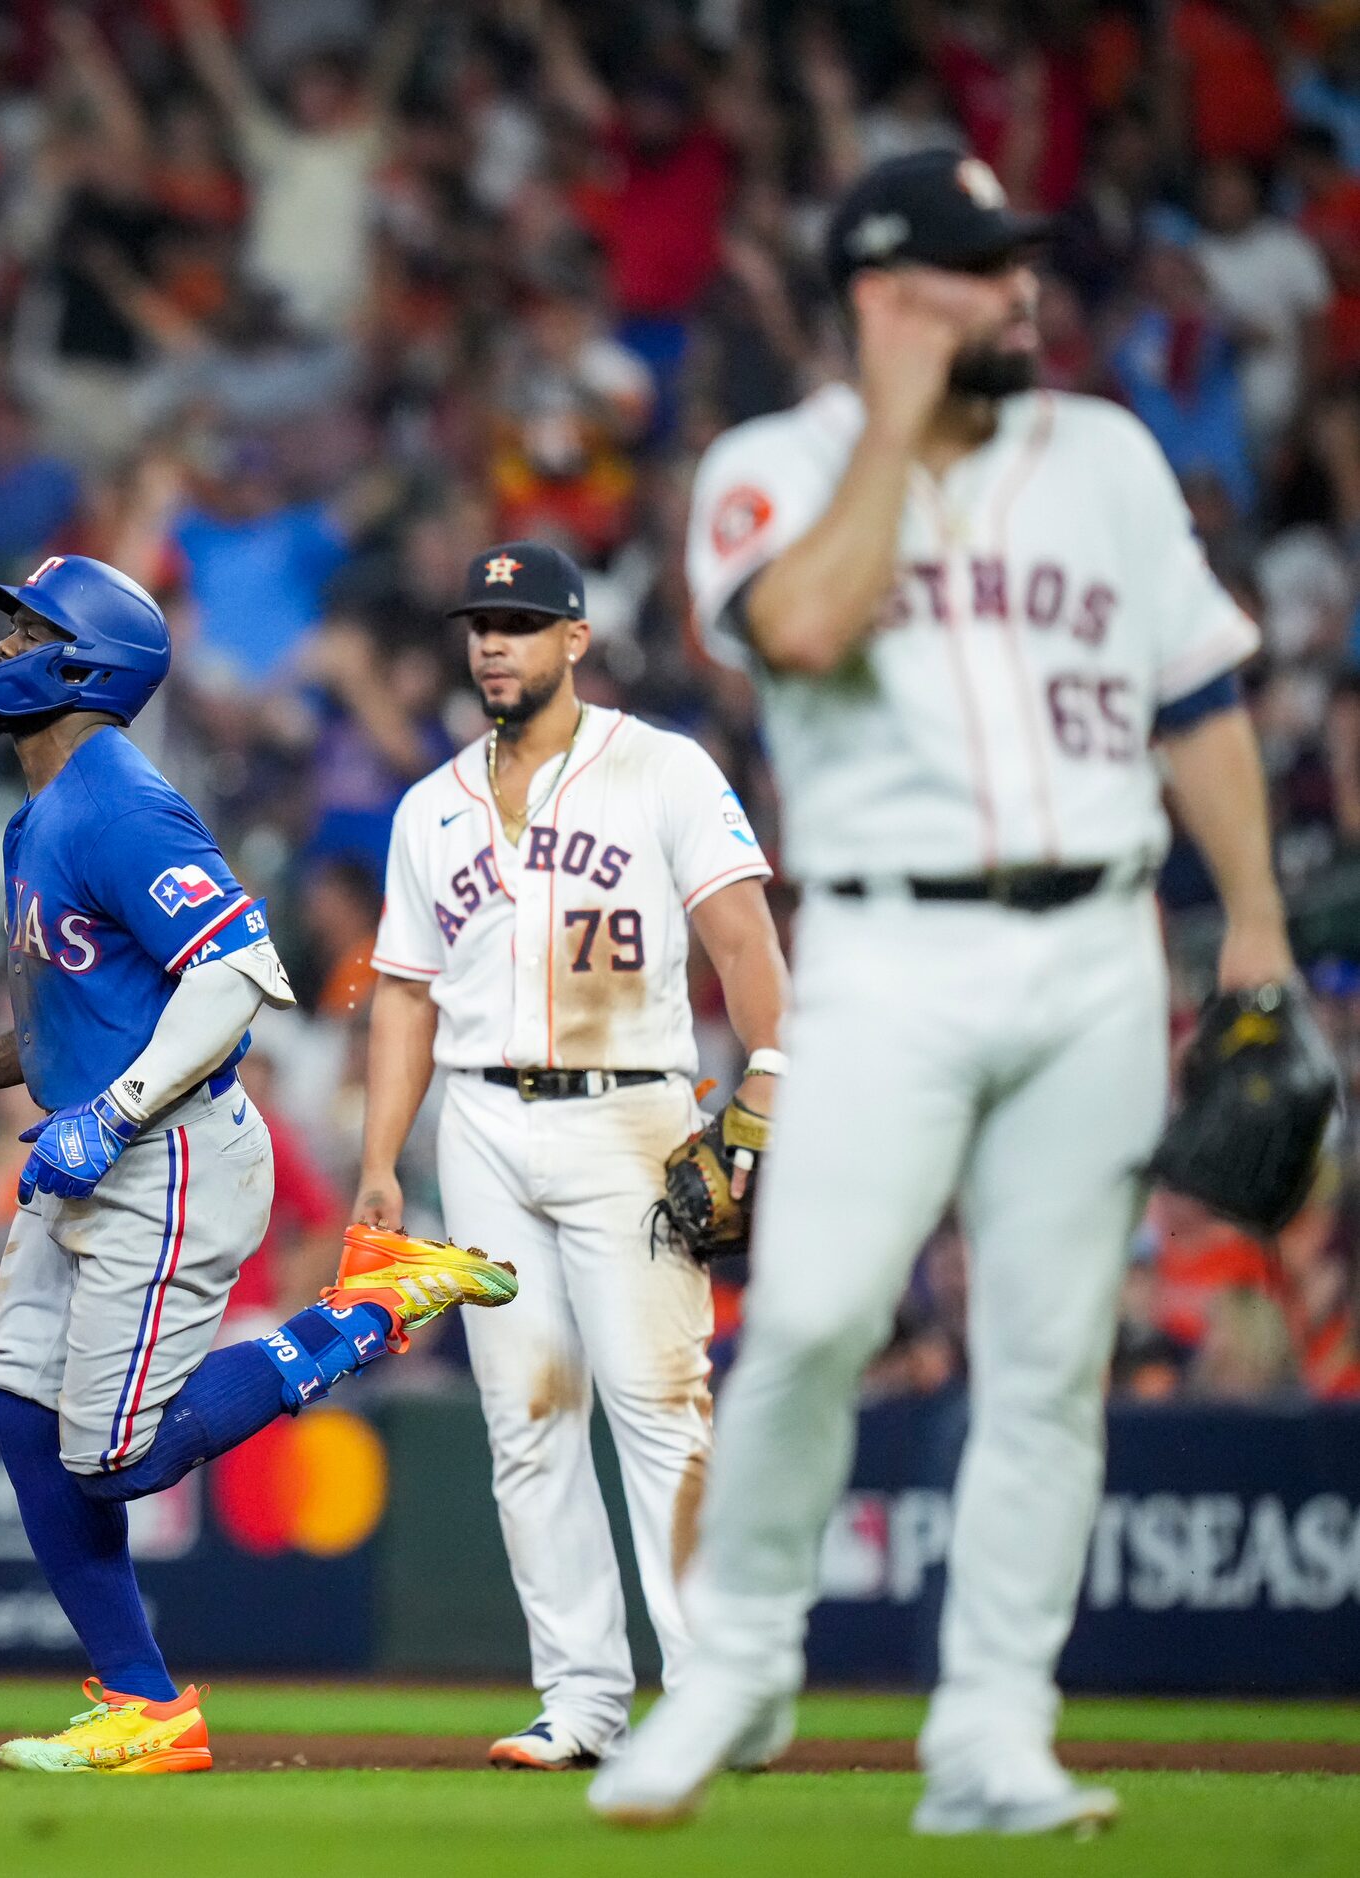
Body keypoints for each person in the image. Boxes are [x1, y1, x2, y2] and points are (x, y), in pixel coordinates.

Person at [590, 150, 1291, 1833]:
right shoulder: (769, 470)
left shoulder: (1103, 456)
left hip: (1096, 944)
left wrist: (1254, 925)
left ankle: (990, 1735)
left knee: (1047, 1360)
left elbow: (1192, 700)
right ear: (883, 299)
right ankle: (739, 1663)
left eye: (1018, 266)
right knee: (819, 1313)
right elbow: (807, 627)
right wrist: (895, 427)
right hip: (889, 949)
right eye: (977, 272)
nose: (1018, 294)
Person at [0, 552, 517, 1774]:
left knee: (113, 1456)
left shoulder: (116, 798)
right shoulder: (41, 813)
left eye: (27, 633)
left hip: (167, 1155)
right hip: (98, 1149)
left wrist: (109, 1114)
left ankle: (369, 1311)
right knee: (21, 1406)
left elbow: (236, 977)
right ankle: (145, 1706)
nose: (3, 650)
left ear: (83, 665)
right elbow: (93, 1009)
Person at [355, 540, 791, 1769]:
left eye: (521, 620)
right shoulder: (428, 804)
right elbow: (401, 993)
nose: (492, 640)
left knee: (658, 1410)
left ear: (574, 639)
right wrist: (383, 1158)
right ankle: (584, 1703)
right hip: (479, 1122)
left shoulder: (660, 768)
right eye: (479, 622)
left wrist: (769, 1072)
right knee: (527, 1419)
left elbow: (743, 939)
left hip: (630, 1113)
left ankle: (712, 1695)